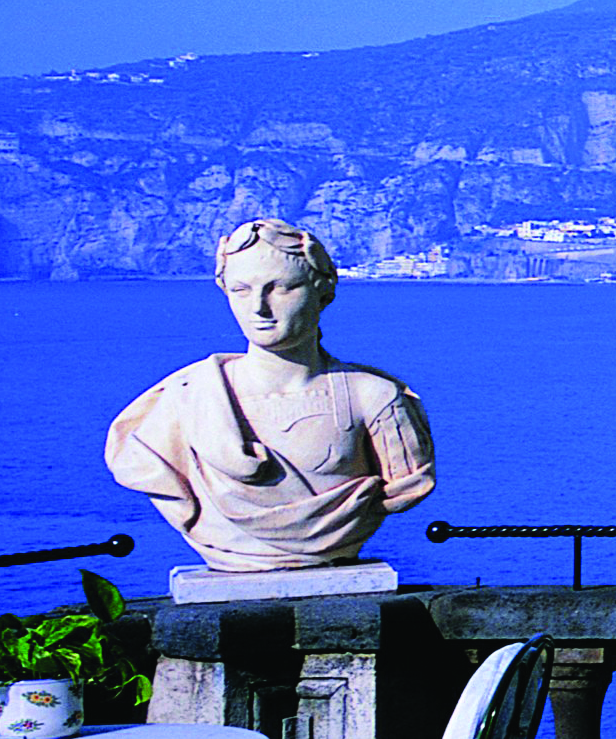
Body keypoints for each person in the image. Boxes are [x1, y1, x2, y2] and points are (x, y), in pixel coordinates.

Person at [101, 220, 438, 570]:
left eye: (281, 288)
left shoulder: (375, 399)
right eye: (241, 290)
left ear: (323, 292)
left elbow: (408, 484)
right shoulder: (183, 399)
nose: (259, 308)